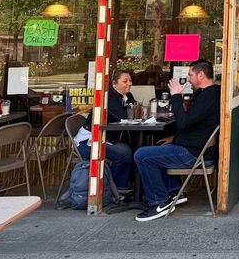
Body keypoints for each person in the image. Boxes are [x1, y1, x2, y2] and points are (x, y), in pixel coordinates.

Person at [134, 60, 220, 222]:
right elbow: (195, 125)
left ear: (201, 75)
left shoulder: (207, 96)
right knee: (158, 147)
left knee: (142, 155)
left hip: (195, 154)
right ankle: (174, 190)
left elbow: (183, 122)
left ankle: (160, 201)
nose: (188, 78)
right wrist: (175, 138)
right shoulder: (210, 93)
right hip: (198, 148)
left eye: (191, 75)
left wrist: (175, 96)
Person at [73, 68, 135, 190]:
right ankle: (116, 189)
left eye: (130, 80)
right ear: (114, 84)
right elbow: (122, 116)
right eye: (125, 81)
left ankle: (125, 186)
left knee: (131, 148)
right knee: (124, 153)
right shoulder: (110, 98)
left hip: (104, 138)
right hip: (87, 143)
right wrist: (131, 106)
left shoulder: (125, 95)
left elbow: (133, 108)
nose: (129, 83)